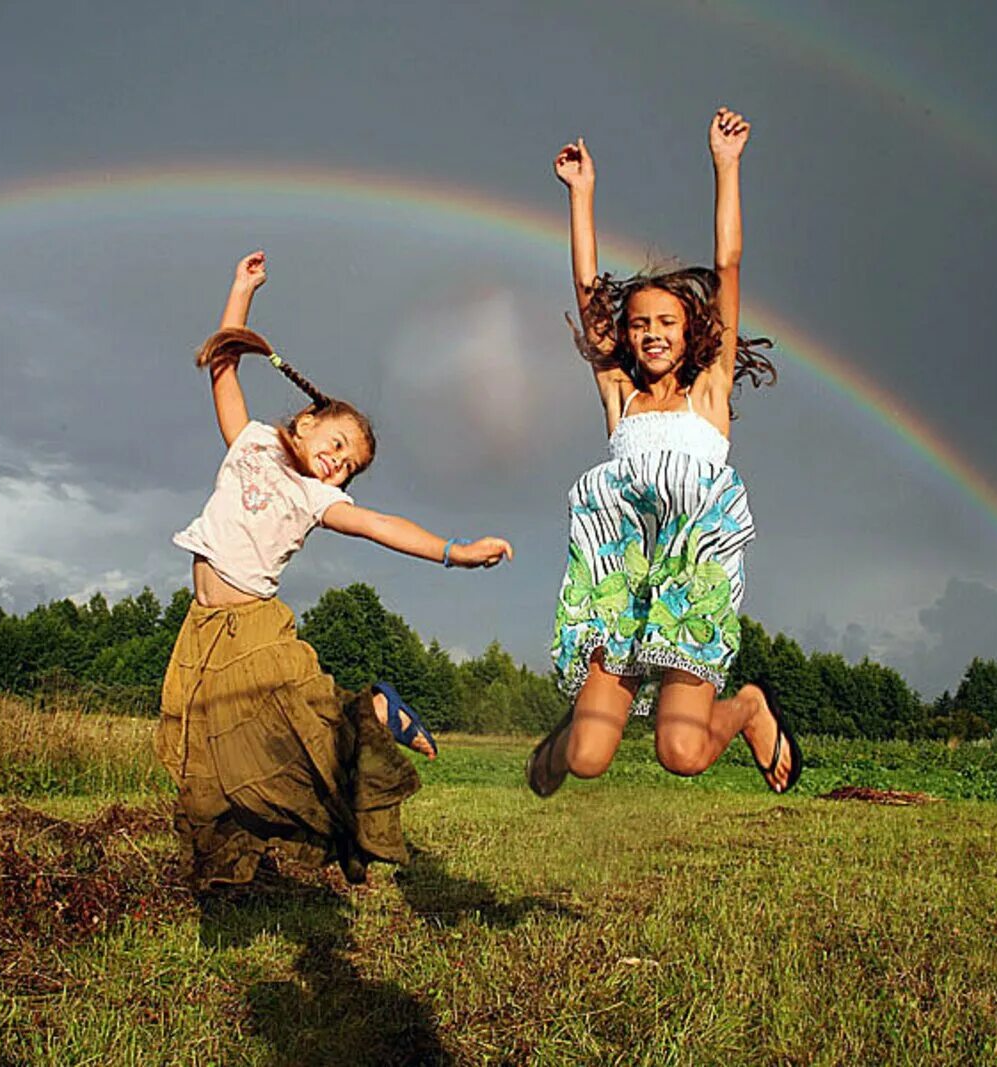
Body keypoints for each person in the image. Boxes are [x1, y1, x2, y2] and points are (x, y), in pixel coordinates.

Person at [158, 250, 513, 887]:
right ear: (307, 419)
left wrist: (455, 550)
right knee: (216, 752)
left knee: (307, 734)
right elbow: (223, 364)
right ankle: (223, 870)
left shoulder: (318, 496)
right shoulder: (252, 442)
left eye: (350, 465)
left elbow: (381, 525)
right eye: (338, 445)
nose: (338, 464)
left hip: (255, 631)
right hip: (203, 632)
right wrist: (242, 289)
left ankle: (378, 711)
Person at [527, 108, 802, 798]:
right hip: (619, 575)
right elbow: (591, 299)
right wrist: (581, 193)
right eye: (641, 323)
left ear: (692, 331)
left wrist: (726, 165)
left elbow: (729, 265)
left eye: (666, 323)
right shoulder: (619, 393)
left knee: (681, 751)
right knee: (590, 757)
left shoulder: (707, 393)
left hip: (691, 571)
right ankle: (563, 740)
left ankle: (746, 707)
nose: (651, 333)